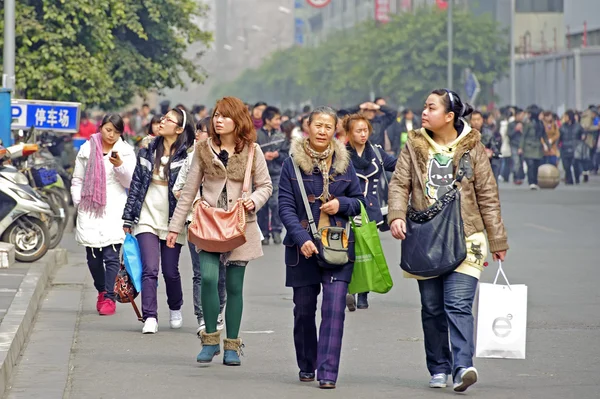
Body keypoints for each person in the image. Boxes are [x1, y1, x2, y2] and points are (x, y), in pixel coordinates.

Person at [387, 89, 508, 393]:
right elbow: (400, 184)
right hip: (425, 235)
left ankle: (462, 366)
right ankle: (438, 366)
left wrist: (497, 239)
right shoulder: (413, 145)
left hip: (469, 234)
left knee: (457, 303)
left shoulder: (473, 147)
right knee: (432, 307)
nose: (423, 112)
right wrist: (397, 216)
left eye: (430, 107)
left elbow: (488, 196)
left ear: (449, 116)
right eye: (424, 107)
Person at [167, 96, 272, 366]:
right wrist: (174, 227)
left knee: (235, 287)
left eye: (225, 116)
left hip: (240, 225)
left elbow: (266, 186)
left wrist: (254, 200)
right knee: (210, 279)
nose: (218, 120)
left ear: (238, 121)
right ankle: (210, 340)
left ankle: (232, 346)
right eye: (216, 115)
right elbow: (189, 191)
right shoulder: (202, 149)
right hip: (208, 224)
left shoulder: (252, 150)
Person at [278, 106, 364, 389]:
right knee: (303, 310)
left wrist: (342, 204)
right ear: (308, 126)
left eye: (328, 126)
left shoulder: (345, 162)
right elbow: (286, 207)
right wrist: (301, 239)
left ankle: (328, 373)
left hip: (338, 245)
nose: (323, 131)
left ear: (335, 130)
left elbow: (360, 202)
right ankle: (307, 363)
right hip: (302, 247)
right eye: (318, 125)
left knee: (334, 308)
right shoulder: (292, 163)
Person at [122, 107, 195, 334]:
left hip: (173, 218)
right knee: (150, 268)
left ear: (179, 128)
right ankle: (150, 316)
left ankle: (175, 307)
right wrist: (128, 216)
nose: (161, 122)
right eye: (162, 118)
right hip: (147, 215)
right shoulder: (147, 149)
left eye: (168, 120)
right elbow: (136, 183)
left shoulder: (187, 155)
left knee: (170, 271)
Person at [71, 114, 136, 315]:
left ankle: (109, 296)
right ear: (101, 128)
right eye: (108, 130)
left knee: (111, 255)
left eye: (116, 132)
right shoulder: (86, 149)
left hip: (114, 206)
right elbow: (77, 178)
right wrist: (79, 201)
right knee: (93, 258)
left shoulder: (125, 151)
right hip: (89, 207)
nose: (111, 135)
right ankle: (101, 290)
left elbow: (130, 182)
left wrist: (119, 166)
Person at [173, 117, 226, 335]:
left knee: (221, 272)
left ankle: (219, 310)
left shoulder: (229, 155)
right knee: (200, 273)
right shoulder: (191, 157)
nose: (198, 134)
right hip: (196, 222)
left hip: (224, 224)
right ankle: (202, 316)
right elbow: (178, 189)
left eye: (202, 131)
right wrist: (195, 202)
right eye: (197, 131)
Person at [343, 113, 397, 311]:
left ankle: (364, 293)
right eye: (358, 131)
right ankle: (349, 289)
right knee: (350, 251)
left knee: (368, 250)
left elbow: (397, 166)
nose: (363, 134)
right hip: (348, 209)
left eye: (366, 130)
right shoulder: (340, 153)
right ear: (349, 133)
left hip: (371, 209)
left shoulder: (376, 152)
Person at [256, 106, 289, 245]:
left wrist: (277, 155)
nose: (278, 121)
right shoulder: (256, 135)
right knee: (262, 205)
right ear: (267, 120)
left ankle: (276, 230)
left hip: (276, 174)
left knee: (276, 203)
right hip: (259, 175)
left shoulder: (281, 137)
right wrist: (262, 156)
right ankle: (264, 233)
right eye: (276, 119)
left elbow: (286, 155)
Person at [519, 106, 546, 190]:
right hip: (528, 147)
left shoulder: (541, 124)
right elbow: (523, 136)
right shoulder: (528, 124)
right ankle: (531, 182)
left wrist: (547, 145)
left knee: (536, 165)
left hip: (537, 147)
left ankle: (535, 181)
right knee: (530, 165)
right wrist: (521, 147)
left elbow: (544, 135)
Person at [559, 110, 585, 185]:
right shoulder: (562, 126)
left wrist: (583, 137)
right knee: (566, 166)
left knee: (575, 164)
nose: (564, 118)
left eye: (566, 116)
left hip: (575, 148)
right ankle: (569, 179)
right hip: (565, 147)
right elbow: (559, 137)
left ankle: (577, 178)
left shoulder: (578, 126)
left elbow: (583, 134)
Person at [507, 108, 525, 184]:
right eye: (520, 115)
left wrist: (522, 131)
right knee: (516, 161)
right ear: (516, 115)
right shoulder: (511, 124)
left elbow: (526, 135)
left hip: (522, 145)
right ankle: (516, 177)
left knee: (521, 162)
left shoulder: (524, 124)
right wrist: (516, 129)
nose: (522, 117)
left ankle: (520, 177)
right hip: (514, 145)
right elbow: (509, 135)